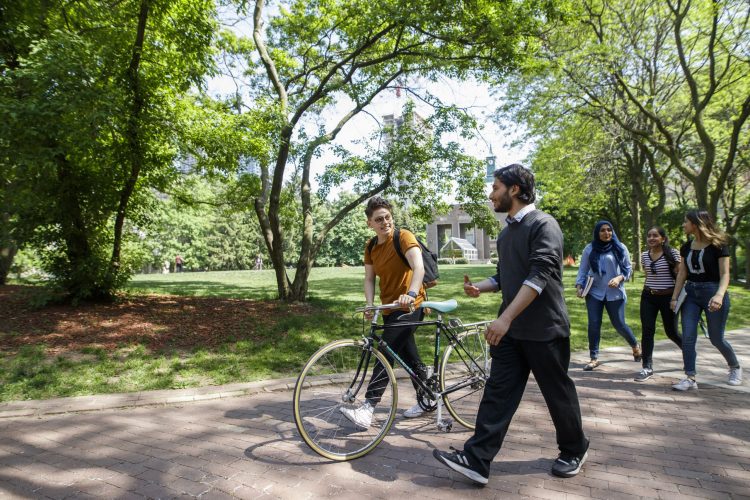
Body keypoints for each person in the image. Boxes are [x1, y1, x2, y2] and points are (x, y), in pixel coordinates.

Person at [433, 164, 589, 485]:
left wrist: (504, 317)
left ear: (514, 189)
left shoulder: (544, 225)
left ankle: (574, 448)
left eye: (495, 187)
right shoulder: (506, 232)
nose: (491, 195)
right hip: (513, 333)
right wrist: (481, 287)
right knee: (497, 393)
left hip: (544, 330)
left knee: (557, 394)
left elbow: (539, 276)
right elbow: (506, 277)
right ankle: (477, 460)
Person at [339, 196, 430, 428]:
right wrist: (370, 304)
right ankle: (429, 396)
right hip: (389, 307)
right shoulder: (371, 247)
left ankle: (368, 407)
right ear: (370, 223)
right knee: (408, 356)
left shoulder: (404, 237)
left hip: (411, 305)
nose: (385, 222)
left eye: (388, 217)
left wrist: (410, 293)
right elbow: (369, 278)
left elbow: (418, 267)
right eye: (379, 219)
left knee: (385, 351)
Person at [670, 210, 742, 390]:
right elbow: (682, 274)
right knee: (687, 337)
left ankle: (735, 367)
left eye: (686, 222)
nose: (683, 225)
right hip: (691, 294)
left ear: (696, 224)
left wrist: (719, 295)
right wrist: (674, 297)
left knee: (716, 338)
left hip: (713, 291)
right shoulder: (686, 247)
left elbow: (725, 274)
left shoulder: (719, 244)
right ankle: (690, 377)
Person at [575, 221, 641, 371]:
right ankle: (594, 358)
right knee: (594, 324)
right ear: (597, 233)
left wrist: (619, 279)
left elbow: (628, 269)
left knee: (619, 324)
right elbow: (583, 270)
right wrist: (579, 286)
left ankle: (635, 345)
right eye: (603, 230)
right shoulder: (589, 249)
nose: (606, 233)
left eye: (609, 230)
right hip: (593, 292)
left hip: (615, 294)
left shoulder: (620, 247)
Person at [636, 226, 683, 382]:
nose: (651, 238)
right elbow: (649, 275)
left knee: (671, 332)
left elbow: (680, 276)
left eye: (655, 235)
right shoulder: (644, 255)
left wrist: (675, 298)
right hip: (648, 296)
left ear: (663, 238)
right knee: (647, 330)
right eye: (649, 235)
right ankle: (647, 367)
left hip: (668, 297)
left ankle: (689, 353)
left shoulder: (673, 253)